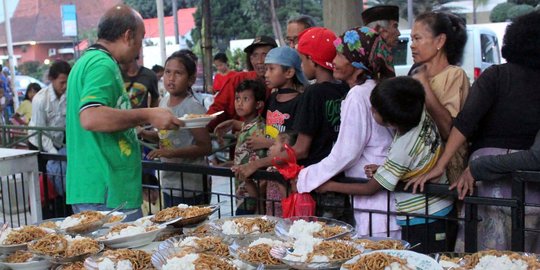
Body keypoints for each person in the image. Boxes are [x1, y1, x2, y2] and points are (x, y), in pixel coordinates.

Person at [407, 11, 540, 252]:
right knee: (525, 258)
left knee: (480, 257)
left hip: (485, 180)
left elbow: (465, 124)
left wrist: (441, 165)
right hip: (531, 185)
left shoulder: (497, 76)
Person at [65, 4, 182, 221]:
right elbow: (91, 117)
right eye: (141, 38)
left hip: (100, 189)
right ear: (128, 36)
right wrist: (147, 114)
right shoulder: (102, 65)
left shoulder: (87, 62)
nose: (140, 46)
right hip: (106, 192)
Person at [318, 76, 456, 253]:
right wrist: (384, 169)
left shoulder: (402, 149)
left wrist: (329, 185)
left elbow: (370, 188)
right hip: (440, 208)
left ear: (390, 123)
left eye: (374, 111)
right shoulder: (419, 111)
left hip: (423, 220)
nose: (370, 110)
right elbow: (415, 163)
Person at [295, 26, 398, 237]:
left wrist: (306, 177)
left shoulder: (358, 95)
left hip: (376, 205)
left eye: (341, 55)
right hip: (382, 198)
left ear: (357, 63)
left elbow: (347, 152)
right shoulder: (372, 88)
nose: (335, 60)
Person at [233, 46, 307, 217]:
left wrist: (266, 143)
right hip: (269, 167)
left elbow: (295, 140)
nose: (266, 74)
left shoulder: (301, 101)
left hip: (286, 172)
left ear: (289, 73)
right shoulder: (272, 98)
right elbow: (269, 129)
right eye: (266, 69)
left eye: (271, 69)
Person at [140, 51, 212, 207]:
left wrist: (171, 153)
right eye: (167, 72)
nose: (171, 78)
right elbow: (165, 136)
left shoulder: (192, 106)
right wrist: (145, 133)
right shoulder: (164, 103)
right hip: (168, 182)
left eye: (178, 73)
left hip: (191, 186)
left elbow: (205, 146)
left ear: (191, 79)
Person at [408, 12, 469, 183]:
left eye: (418, 38)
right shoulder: (414, 75)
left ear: (440, 41)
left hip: (445, 172)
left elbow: (447, 129)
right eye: (412, 39)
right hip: (416, 167)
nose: (412, 45)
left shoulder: (455, 75)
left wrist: (424, 85)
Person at [214, 80, 267, 215]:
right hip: (242, 192)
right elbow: (244, 158)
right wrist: (226, 164)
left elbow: (257, 163)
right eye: (237, 98)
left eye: (245, 99)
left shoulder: (258, 131)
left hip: (251, 195)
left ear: (258, 104)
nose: (239, 103)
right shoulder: (246, 126)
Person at [207, 36, 277, 131]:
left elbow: (279, 133)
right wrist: (203, 125)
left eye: (265, 55)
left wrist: (238, 125)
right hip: (240, 143)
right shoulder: (238, 79)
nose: (259, 61)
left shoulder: (284, 87)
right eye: (254, 55)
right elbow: (218, 108)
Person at [28, 60, 71, 153]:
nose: (65, 86)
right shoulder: (40, 99)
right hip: (37, 143)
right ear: (51, 79)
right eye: (62, 82)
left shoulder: (69, 96)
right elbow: (40, 130)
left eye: (68, 82)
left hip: (57, 142)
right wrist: (54, 153)